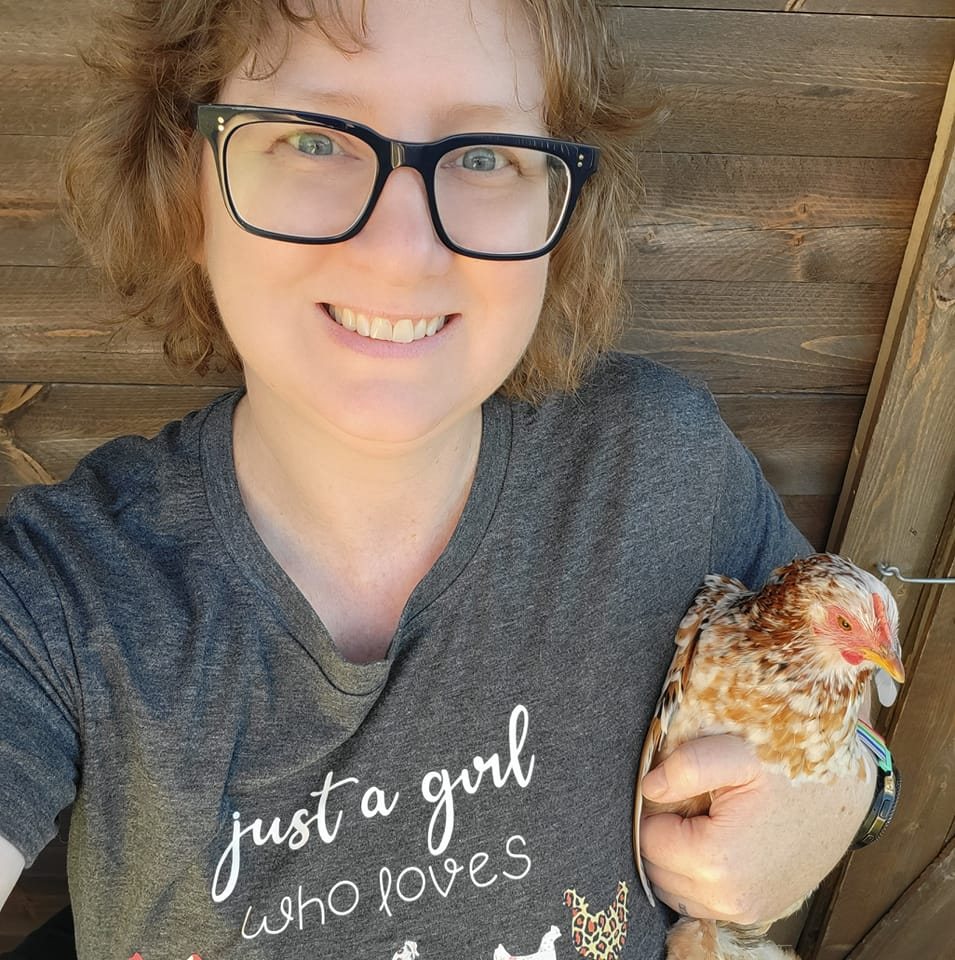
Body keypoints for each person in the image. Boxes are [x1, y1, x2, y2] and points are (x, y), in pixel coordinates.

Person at [0, 1, 879, 958]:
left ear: (557, 203)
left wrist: (849, 797)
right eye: (313, 139)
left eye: (482, 155)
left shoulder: (656, 462)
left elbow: (846, 700)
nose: (401, 251)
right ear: (186, 178)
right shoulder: (61, 595)